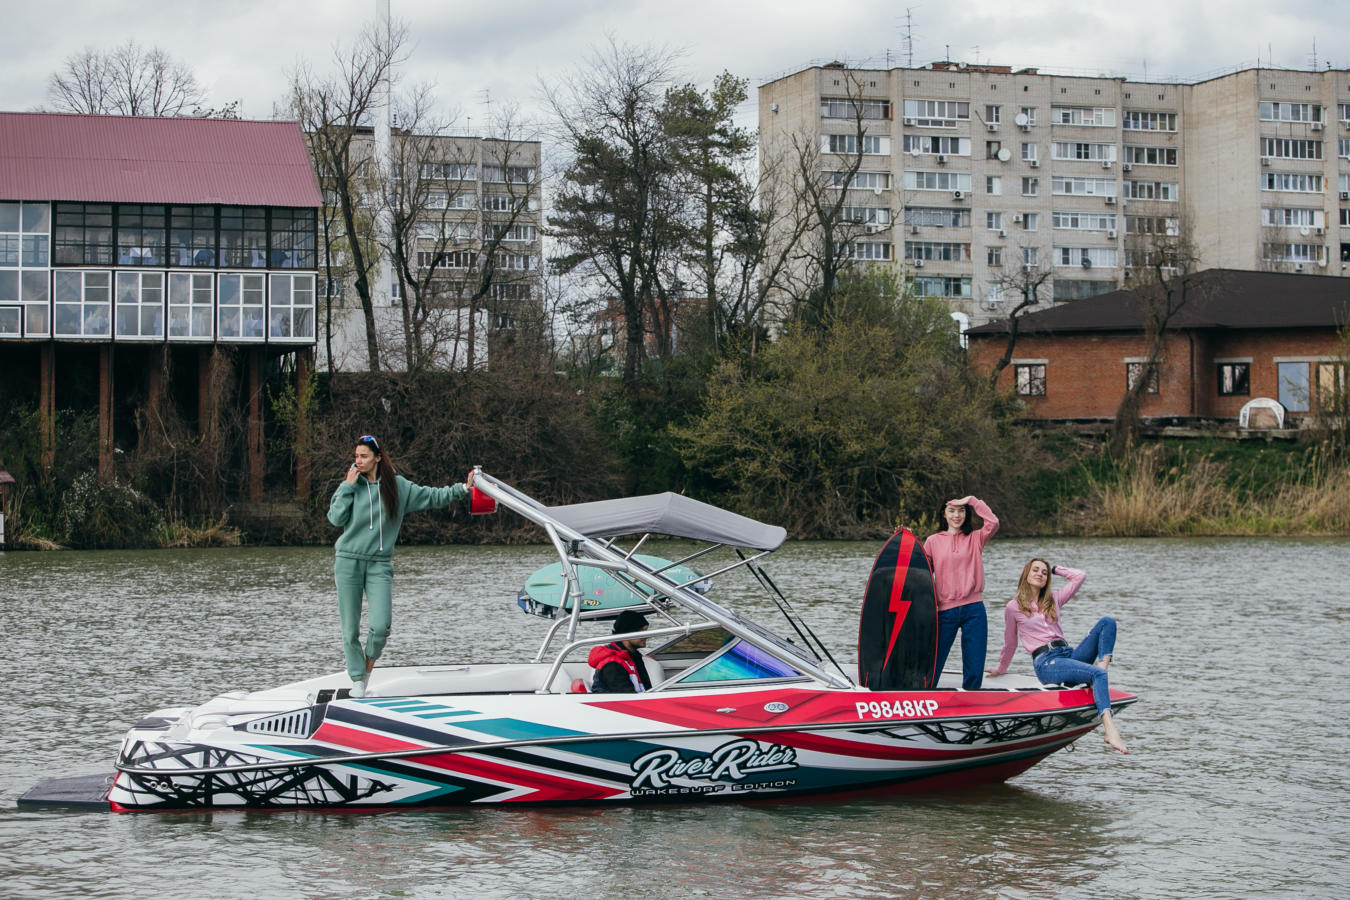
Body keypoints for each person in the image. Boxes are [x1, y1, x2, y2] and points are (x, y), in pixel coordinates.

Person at [327, 434, 474, 697]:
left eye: (363, 456)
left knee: (381, 625)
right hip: (348, 562)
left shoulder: (398, 487)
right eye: (356, 457)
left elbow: (433, 496)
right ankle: (357, 682)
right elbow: (336, 518)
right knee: (349, 629)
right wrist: (347, 487)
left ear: (377, 458)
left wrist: (462, 488)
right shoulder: (350, 486)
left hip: (379, 565)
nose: (358, 461)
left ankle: (366, 670)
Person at [986, 559, 1128, 754]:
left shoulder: (1054, 600)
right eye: (1035, 570)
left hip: (1068, 654)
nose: (1040, 574)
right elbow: (1010, 642)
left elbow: (1080, 576)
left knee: (1107, 622)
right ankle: (1110, 729)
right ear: (1026, 574)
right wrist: (1001, 668)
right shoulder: (1013, 607)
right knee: (1097, 675)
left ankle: (1100, 672)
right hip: (1047, 662)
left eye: (1044, 573)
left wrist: (1054, 569)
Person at [923, 495, 999, 690]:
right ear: (944, 514)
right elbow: (920, 573)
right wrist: (902, 543)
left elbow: (993, 522)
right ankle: (923, 698)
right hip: (944, 612)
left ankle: (970, 705)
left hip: (974, 610)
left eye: (961, 510)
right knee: (932, 663)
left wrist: (972, 500)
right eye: (952, 510)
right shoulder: (932, 541)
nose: (957, 515)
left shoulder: (975, 538)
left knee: (974, 665)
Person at [587, 609, 653, 693]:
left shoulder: (634, 656)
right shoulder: (612, 665)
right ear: (628, 632)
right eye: (642, 631)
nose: (647, 636)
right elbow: (627, 699)